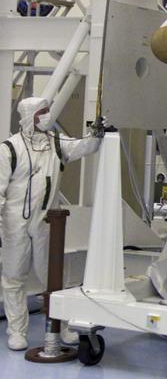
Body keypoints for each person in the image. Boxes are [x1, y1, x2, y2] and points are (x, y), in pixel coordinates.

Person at [0, 97, 103, 351]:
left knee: (53, 277)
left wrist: (96, 134)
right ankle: (16, 330)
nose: (47, 116)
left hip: (48, 221)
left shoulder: (56, 143)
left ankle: (63, 327)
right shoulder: (9, 149)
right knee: (14, 277)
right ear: (29, 116)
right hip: (15, 222)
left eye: (47, 111)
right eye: (42, 112)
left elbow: (83, 147)